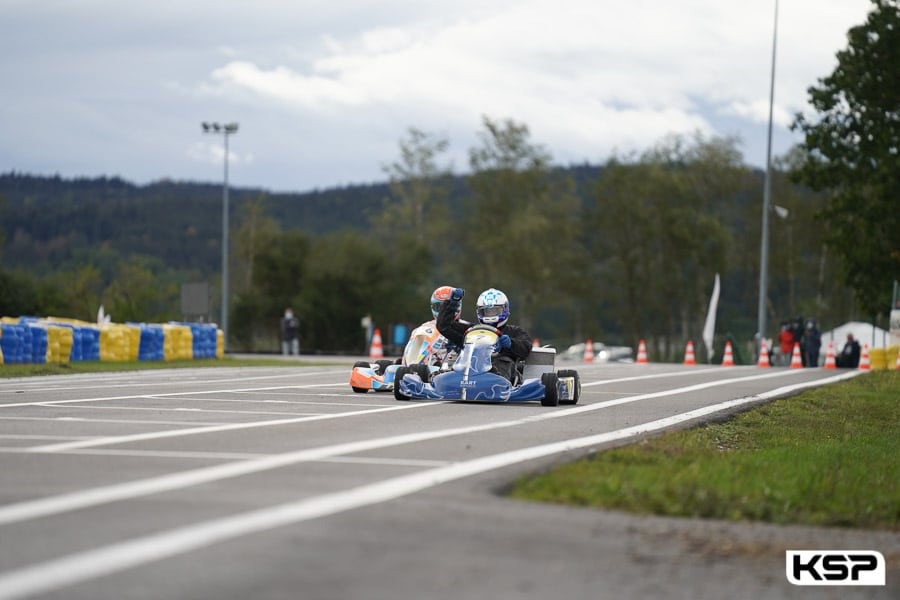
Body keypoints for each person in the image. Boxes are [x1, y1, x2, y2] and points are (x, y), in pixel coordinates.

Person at [436, 287, 531, 383]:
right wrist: (452, 303)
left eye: (495, 311)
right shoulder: (471, 331)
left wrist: (511, 344)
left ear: (504, 310)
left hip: (501, 372)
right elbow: (444, 326)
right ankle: (452, 380)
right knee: (462, 360)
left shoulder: (514, 332)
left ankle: (493, 379)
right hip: (471, 366)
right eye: (487, 311)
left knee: (503, 362)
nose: (490, 314)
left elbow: (526, 347)